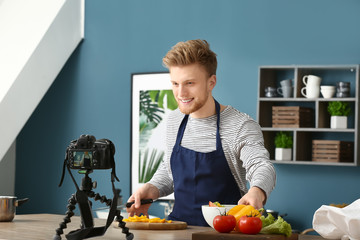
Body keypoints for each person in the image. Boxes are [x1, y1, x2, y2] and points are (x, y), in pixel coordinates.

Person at [127, 39, 276, 226]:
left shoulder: (240, 125)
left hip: (225, 234)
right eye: (175, 83)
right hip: (178, 230)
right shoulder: (174, 120)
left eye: (189, 83)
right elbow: (169, 169)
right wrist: (152, 188)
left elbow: (262, 166)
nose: (181, 93)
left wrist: (257, 191)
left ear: (211, 82)